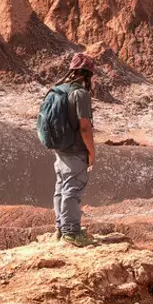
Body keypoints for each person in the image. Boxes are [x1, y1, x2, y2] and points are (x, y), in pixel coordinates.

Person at [42, 53, 97, 247]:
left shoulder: (56, 90)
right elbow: (84, 127)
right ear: (88, 74)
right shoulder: (80, 94)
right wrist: (92, 152)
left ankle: (60, 227)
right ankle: (71, 232)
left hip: (60, 148)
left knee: (61, 187)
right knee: (72, 190)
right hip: (75, 150)